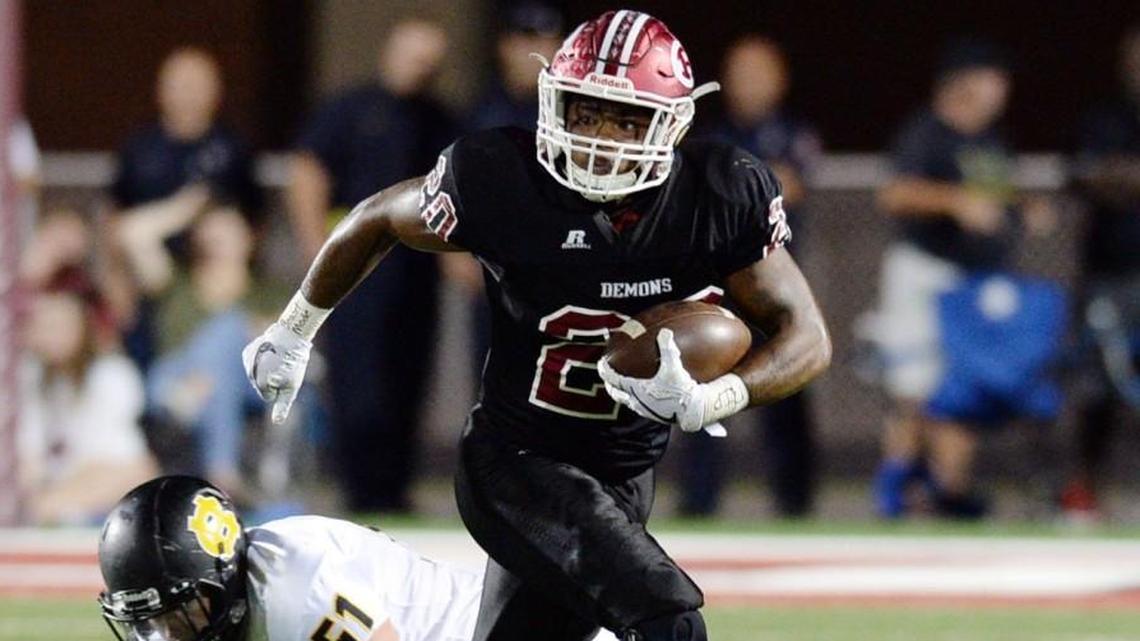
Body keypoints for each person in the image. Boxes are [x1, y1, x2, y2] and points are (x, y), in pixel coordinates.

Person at [245, 10, 830, 641]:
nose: (601, 136)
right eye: (585, 111)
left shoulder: (719, 193)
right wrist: (296, 326)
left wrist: (718, 395)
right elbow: (377, 217)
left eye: (627, 118)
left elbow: (806, 337)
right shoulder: (504, 179)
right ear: (554, 101)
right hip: (515, 462)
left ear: (674, 123)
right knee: (667, 618)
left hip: (623, 473)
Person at [870, 39, 1061, 519]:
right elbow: (895, 194)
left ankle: (946, 489)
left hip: (973, 284)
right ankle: (899, 490)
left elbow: (992, 196)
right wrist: (954, 202)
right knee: (914, 386)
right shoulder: (928, 132)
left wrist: (1022, 207)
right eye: (993, 78)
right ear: (964, 82)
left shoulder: (989, 140)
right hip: (925, 273)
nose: (1002, 90)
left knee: (964, 390)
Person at [97, 475, 621, 641]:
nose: (164, 635)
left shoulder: (298, 593)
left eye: (175, 614)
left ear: (222, 581)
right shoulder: (249, 585)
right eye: (148, 621)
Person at [287, 16, 456, 513]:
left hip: (416, 274)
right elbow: (308, 170)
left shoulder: (440, 120)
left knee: (408, 382)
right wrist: (315, 249)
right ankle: (361, 493)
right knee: (359, 389)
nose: (420, 68)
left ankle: (394, 491)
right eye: (413, 55)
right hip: (357, 271)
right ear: (389, 51)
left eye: (430, 61)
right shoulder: (349, 111)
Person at [680, 35, 824, 518]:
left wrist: (731, 190)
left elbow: (790, 184)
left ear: (779, 79)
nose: (749, 83)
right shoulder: (710, 135)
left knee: (785, 390)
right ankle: (699, 502)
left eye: (759, 72)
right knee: (702, 396)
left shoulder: (794, 133)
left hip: (774, 289)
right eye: (740, 72)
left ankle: (795, 502)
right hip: (717, 288)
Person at [115, 187, 287, 499]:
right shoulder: (176, 283)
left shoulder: (268, 293)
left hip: (240, 387)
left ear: (249, 235)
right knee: (224, 348)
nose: (218, 238)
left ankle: (214, 452)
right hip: (173, 379)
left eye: (229, 228)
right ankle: (223, 475)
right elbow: (131, 234)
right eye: (211, 228)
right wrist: (184, 208)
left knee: (228, 336)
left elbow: (283, 346)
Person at [109, 47, 263, 373]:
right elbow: (118, 219)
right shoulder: (140, 147)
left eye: (198, 85)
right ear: (161, 91)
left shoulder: (232, 147)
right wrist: (184, 209)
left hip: (216, 283)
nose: (189, 95)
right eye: (179, 85)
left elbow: (254, 215)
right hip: (155, 278)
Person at [1062, 25, 1140, 520]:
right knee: (1098, 385)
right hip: (1111, 272)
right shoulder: (1105, 118)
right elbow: (1085, 176)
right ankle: (1085, 488)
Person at [18, 274, 156, 525]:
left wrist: (48, 500)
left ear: (83, 325)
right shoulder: (30, 377)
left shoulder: (112, 375)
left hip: (113, 491)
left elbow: (118, 465)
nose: (49, 333)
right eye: (42, 324)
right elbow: (30, 459)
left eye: (59, 324)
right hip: (59, 489)